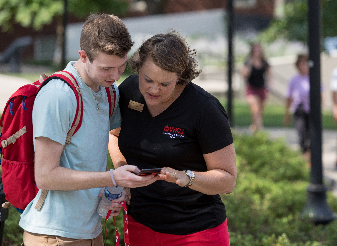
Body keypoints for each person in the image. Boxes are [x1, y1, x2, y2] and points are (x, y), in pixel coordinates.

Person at [19, 13, 159, 245]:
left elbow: (103, 146)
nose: (115, 76)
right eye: (106, 68)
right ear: (83, 56)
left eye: (121, 66)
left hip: (91, 230)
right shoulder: (59, 95)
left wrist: (111, 188)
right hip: (55, 234)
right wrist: (111, 177)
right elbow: (45, 176)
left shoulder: (108, 91)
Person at [108, 31, 237, 246]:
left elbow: (227, 180)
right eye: (148, 79)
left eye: (165, 84)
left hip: (196, 231)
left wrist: (186, 177)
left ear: (180, 74)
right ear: (139, 65)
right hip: (140, 223)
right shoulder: (128, 91)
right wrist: (123, 174)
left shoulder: (205, 109)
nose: (154, 89)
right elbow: (114, 136)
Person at [284, 54, 311, 161]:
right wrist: (287, 114)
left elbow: (321, 94)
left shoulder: (313, 78)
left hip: (311, 110)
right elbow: (289, 98)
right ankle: (304, 158)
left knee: (311, 136)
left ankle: (309, 159)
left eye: (306, 63)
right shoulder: (294, 80)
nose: (304, 65)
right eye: (302, 63)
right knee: (302, 135)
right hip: (299, 110)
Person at [240, 42, 272, 133]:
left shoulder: (264, 62)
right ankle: (259, 129)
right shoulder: (248, 61)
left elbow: (270, 74)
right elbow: (244, 75)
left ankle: (254, 127)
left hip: (261, 88)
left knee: (260, 111)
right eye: (255, 50)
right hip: (251, 88)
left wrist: (269, 86)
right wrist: (250, 65)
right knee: (255, 108)